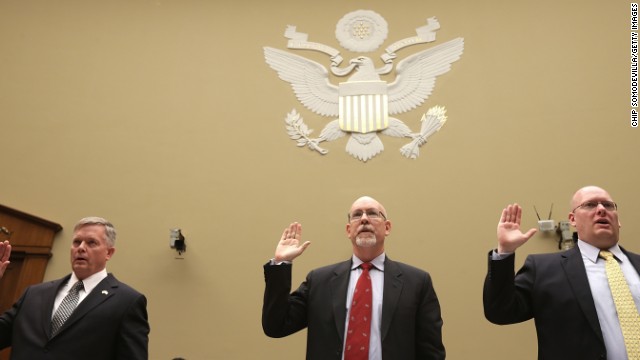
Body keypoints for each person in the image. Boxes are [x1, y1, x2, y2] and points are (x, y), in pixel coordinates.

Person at [262, 196, 445, 360]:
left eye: (373, 214)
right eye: (357, 215)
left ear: (387, 227)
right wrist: (281, 263)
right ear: (349, 230)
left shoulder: (416, 282)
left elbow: (431, 352)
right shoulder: (320, 281)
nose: (364, 219)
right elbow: (276, 326)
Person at [483, 186, 640, 360]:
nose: (601, 209)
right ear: (572, 220)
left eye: (608, 205)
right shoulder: (543, 269)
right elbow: (500, 312)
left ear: (618, 220)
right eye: (590, 205)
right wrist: (505, 251)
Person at [0, 217, 150, 360]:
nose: (81, 248)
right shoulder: (34, 294)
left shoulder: (126, 302)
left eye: (91, 243)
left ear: (109, 253)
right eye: (77, 242)